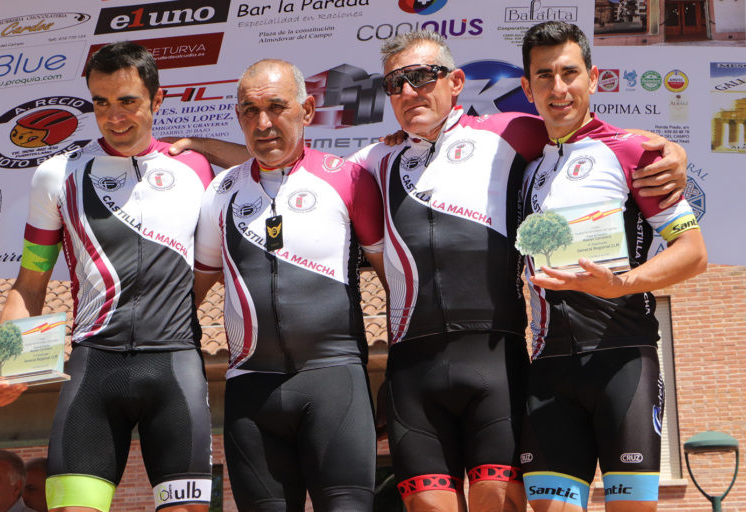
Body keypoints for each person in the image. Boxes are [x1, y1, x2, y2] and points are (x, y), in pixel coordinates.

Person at [167, 31, 687, 512]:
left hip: (496, 361)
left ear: (455, 82)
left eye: (424, 76)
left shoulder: (510, 134)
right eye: (398, 82)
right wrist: (207, 147)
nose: (411, 89)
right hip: (413, 370)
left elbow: (583, 132)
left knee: (496, 499)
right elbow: (288, 156)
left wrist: (664, 147)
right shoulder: (372, 162)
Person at [0, 42, 214, 512]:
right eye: (101, 102)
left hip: (175, 366)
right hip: (95, 369)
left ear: (157, 99)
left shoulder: (196, 169)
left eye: (128, 100)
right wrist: (0, 367)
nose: (114, 116)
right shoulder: (57, 174)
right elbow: (30, 283)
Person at [517, 21, 707, 512]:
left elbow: (692, 251)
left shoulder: (633, 151)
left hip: (623, 358)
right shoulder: (523, 164)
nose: (558, 89)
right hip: (549, 364)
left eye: (569, 73)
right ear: (527, 87)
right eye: (544, 76)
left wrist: (622, 285)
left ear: (593, 77)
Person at [192, 59, 386, 511]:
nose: (263, 123)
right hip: (250, 390)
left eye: (276, 107)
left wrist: (404, 370)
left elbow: (393, 280)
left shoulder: (348, 178)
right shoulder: (220, 192)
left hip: (335, 381)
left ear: (307, 109)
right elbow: (193, 292)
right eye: (249, 111)